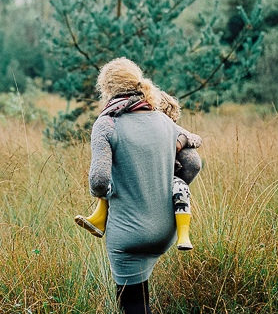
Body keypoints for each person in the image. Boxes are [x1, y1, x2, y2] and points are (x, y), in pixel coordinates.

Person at [83, 58, 199, 314]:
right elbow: (194, 162)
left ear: (107, 89)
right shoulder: (164, 121)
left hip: (128, 234)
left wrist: (110, 193)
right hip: (167, 230)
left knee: (133, 308)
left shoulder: (106, 124)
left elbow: (99, 180)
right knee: (142, 296)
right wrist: (166, 185)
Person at [74, 89, 202, 250]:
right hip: (142, 175)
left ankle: (184, 234)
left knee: (181, 188)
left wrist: (179, 143)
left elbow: (197, 139)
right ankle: (99, 218)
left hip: (165, 178)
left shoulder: (170, 129)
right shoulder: (148, 128)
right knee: (113, 177)